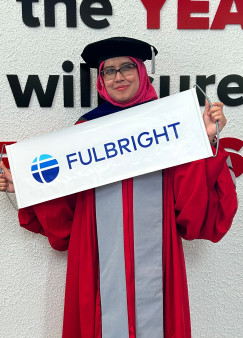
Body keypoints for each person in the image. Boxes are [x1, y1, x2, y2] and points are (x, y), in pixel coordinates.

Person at [0, 37, 237, 338]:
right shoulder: (84, 133)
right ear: (100, 81)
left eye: (126, 67)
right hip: (98, 259)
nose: (118, 77)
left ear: (142, 71)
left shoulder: (170, 126)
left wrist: (205, 139)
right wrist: (23, 185)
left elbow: (191, 205)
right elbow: (65, 204)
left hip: (158, 256)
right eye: (108, 71)